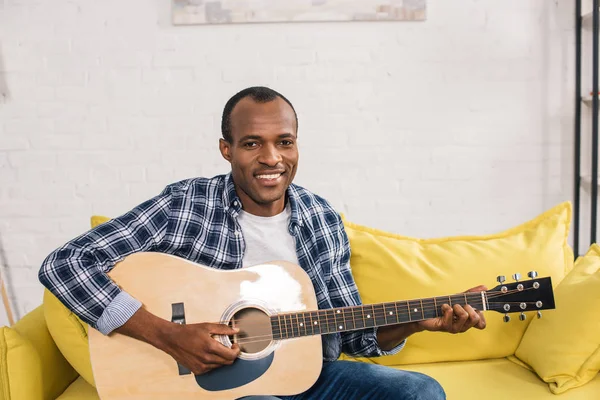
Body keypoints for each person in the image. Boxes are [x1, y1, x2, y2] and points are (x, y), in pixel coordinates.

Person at [38, 86, 486, 399]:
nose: (272, 158)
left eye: (284, 142)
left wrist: (417, 320)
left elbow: (354, 337)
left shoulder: (321, 217)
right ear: (226, 149)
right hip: (217, 390)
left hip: (310, 376)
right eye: (252, 143)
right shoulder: (185, 205)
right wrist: (170, 336)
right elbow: (65, 263)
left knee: (420, 392)